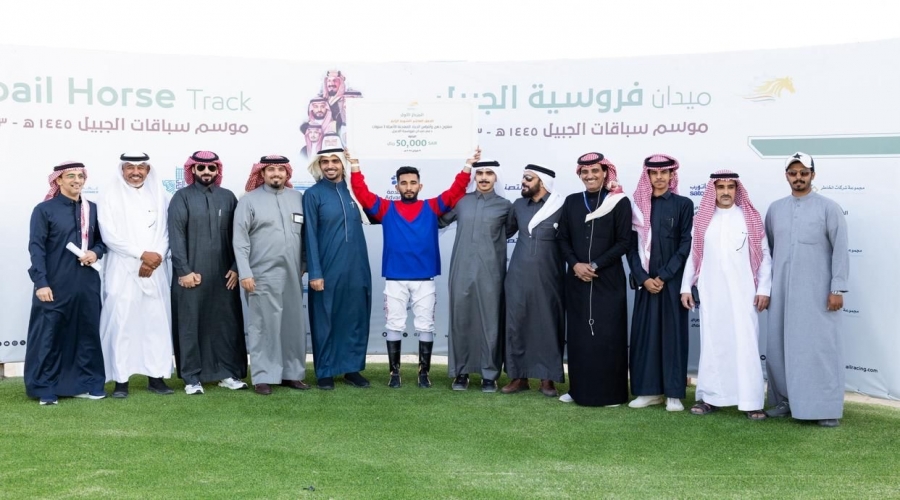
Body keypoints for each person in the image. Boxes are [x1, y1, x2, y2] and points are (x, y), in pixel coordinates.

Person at [350, 149, 477, 388]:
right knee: (394, 324)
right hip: (395, 278)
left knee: (425, 325)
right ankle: (394, 373)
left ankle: (423, 374)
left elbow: (455, 191)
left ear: (420, 186)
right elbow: (362, 194)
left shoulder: (432, 207)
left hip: (424, 278)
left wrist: (468, 165)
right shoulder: (386, 208)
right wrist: (355, 166)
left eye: (412, 183)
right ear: (397, 186)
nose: (408, 187)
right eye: (404, 183)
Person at [764, 152, 849, 427]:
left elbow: (841, 250)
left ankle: (825, 408)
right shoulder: (775, 209)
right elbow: (769, 251)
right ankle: (785, 401)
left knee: (819, 348)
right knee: (779, 346)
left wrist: (837, 288)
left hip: (817, 292)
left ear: (813, 175)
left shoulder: (829, 208)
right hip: (781, 292)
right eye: (793, 173)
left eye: (803, 173)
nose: (798, 177)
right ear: (786, 176)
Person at [680, 170, 771, 420]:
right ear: (714, 190)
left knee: (746, 344)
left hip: (744, 294)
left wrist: (764, 288)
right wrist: (686, 287)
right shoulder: (703, 220)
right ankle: (711, 398)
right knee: (713, 343)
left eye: (731, 187)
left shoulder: (749, 218)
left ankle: (751, 401)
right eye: (721, 187)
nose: (726, 192)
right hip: (711, 293)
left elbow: (764, 257)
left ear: (737, 190)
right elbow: (694, 257)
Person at [25, 161, 107, 405]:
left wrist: (95, 253)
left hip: (87, 283)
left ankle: (87, 384)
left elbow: (102, 242)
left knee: (86, 333)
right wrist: (41, 283)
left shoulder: (92, 209)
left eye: (80, 176)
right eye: (70, 176)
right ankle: (45, 388)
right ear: (58, 180)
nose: (76, 180)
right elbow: (36, 248)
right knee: (50, 335)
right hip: (54, 283)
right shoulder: (44, 210)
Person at [168, 151, 248, 395]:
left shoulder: (228, 197)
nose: (206, 172)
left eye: (211, 168)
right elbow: (176, 237)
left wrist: (236, 267)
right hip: (191, 274)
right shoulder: (181, 197)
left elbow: (240, 236)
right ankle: (192, 378)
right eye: (201, 168)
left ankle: (227, 373)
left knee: (226, 324)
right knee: (191, 324)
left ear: (217, 170)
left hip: (225, 276)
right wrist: (184, 271)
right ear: (192, 170)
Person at [557, 153, 632, 407]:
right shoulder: (572, 201)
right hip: (576, 279)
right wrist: (575, 264)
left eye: (595, 171)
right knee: (579, 337)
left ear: (605, 173)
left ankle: (612, 394)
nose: (590, 176)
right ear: (580, 175)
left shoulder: (619, 201)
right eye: (585, 172)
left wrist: (595, 265)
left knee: (608, 337)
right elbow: (562, 238)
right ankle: (577, 390)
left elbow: (624, 242)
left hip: (608, 281)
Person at [98, 153, 174, 398]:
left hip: (155, 270)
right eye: (130, 167)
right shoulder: (109, 194)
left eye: (141, 167)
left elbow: (167, 232)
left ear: (148, 170)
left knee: (155, 323)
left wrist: (155, 258)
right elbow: (109, 236)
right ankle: (121, 381)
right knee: (122, 323)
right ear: (122, 169)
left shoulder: (160, 195)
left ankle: (156, 377)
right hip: (122, 269)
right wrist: (142, 255)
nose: (135, 172)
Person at [233, 155, 310, 395]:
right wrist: (245, 272)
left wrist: (304, 264)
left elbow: (306, 236)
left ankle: (292, 373)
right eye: (271, 170)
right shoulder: (248, 201)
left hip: (293, 274)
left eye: (280, 170)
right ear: (262, 174)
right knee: (263, 326)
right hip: (261, 275)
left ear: (287, 173)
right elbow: (240, 240)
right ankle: (264, 375)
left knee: (293, 325)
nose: (276, 174)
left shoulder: (298, 198)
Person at [627, 154, 693, 411]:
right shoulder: (637, 207)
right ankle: (649, 392)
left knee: (673, 336)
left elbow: (686, 244)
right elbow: (630, 247)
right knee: (646, 336)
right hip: (646, 284)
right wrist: (643, 279)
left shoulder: (683, 204)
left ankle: (673, 394)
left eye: (664, 172)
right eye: (654, 173)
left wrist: (664, 276)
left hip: (672, 282)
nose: (659, 177)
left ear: (672, 175)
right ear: (647, 176)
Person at [439, 158, 511, 392]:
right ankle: (461, 373)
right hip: (461, 269)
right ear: (474, 177)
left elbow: (511, 230)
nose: (484, 177)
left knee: (490, 322)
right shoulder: (461, 201)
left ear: (496, 177)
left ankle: (489, 375)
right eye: (480, 173)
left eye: (489, 173)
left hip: (492, 272)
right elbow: (439, 220)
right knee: (460, 319)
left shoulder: (505, 206)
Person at [303, 147, 372, 390]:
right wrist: (315, 272)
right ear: (319, 166)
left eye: (335, 161)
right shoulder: (313, 194)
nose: (330, 165)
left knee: (354, 318)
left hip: (357, 267)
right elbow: (309, 235)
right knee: (325, 320)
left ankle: (352, 369)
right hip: (327, 269)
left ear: (343, 164)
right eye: (325, 162)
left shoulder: (354, 193)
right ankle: (325, 371)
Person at [502, 164, 566, 397]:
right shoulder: (518, 205)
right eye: (523, 178)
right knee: (516, 323)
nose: (524, 182)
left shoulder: (561, 206)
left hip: (549, 276)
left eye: (529, 178)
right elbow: (505, 232)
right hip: (518, 275)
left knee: (547, 325)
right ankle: (518, 377)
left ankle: (547, 379)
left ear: (543, 182)